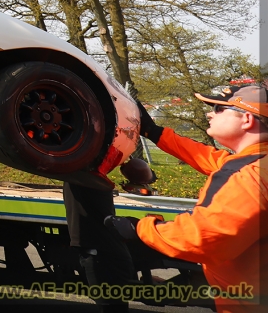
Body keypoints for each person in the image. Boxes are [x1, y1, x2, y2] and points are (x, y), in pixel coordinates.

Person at [106, 85, 268, 312]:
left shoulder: (250, 176)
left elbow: (204, 238)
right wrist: (154, 132)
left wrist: (140, 229)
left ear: (248, 119)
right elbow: (207, 157)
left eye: (219, 109)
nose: (210, 113)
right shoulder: (254, 161)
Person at [63, 181, 137, 313]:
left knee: (110, 307)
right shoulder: (94, 180)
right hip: (105, 253)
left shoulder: (85, 178)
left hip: (102, 255)